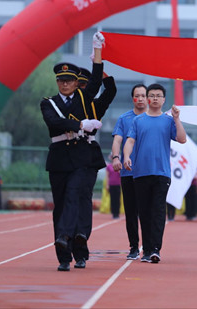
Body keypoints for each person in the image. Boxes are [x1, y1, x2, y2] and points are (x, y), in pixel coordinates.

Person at [40, 35, 104, 272]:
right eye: (61, 80)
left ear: (77, 82)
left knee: (74, 196)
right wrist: (79, 125)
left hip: (80, 157)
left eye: (69, 80)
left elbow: (96, 81)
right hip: (58, 158)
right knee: (61, 205)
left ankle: (75, 243)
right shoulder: (48, 103)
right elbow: (53, 122)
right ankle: (64, 256)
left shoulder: (84, 98)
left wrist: (97, 51)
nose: (65, 84)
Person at [122, 83, 186, 263]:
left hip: (162, 173)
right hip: (140, 173)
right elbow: (130, 141)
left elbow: (182, 139)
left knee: (158, 211)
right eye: (152, 95)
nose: (155, 98)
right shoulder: (138, 121)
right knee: (144, 212)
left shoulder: (168, 121)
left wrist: (177, 119)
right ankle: (147, 249)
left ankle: (155, 249)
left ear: (164, 99)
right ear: (148, 98)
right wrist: (126, 156)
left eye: (159, 95)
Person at [74, 60, 116, 268]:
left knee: (84, 199)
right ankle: (66, 241)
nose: (82, 90)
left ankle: (81, 241)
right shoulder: (63, 103)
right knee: (68, 201)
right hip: (66, 156)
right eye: (79, 86)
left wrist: (101, 70)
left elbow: (111, 90)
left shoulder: (94, 105)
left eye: (85, 86)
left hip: (88, 156)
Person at [111, 83, 147, 260]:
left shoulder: (155, 118)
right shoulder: (124, 119)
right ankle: (134, 246)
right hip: (128, 172)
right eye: (137, 95)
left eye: (143, 95)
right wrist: (116, 157)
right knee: (131, 212)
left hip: (149, 173)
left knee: (147, 212)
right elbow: (118, 140)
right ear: (133, 98)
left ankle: (149, 247)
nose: (140, 99)